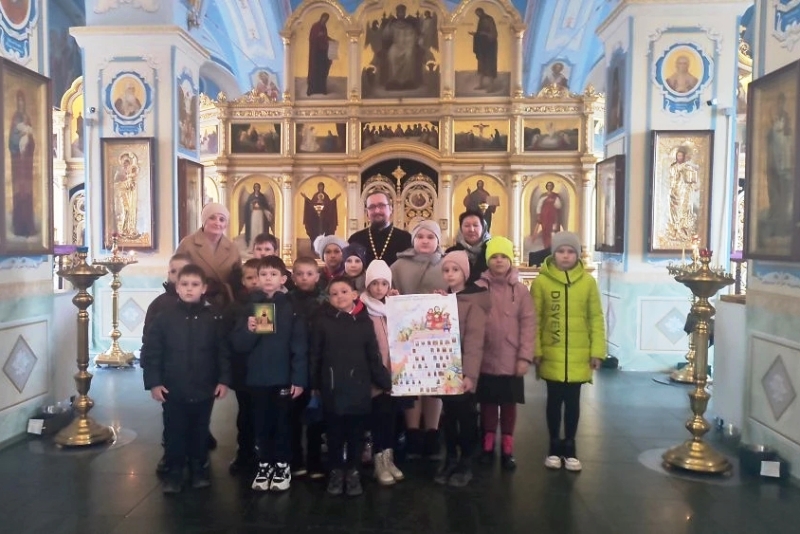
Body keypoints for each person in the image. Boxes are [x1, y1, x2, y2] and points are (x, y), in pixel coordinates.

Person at [142, 264, 231, 493]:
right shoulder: (164, 318)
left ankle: (199, 469)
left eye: (194, 285)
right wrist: (154, 382)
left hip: (204, 386)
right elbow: (152, 352)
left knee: (200, 431)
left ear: (204, 288)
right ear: (177, 287)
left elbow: (222, 351)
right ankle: (174, 473)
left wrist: (223, 380)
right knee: (174, 432)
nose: (189, 289)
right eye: (184, 284)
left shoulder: (214, 317)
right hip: (173, 387)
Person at [231, 256, 308, 492]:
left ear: (283, 279)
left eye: (273, 274)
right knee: (261, 423)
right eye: (263, 274)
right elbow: (238, 345)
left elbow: (299, 345)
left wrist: (298, 378)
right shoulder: (249, 306)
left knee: (282, 423)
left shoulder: (291, 307)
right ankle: (264, 464)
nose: (267, 279)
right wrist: (249, 330)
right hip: (257, 378)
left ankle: (282, 465)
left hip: (283, 377)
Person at [309, 276, 392, 496]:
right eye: (334, 293)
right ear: (328, 298)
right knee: (334, 434)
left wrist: (385, 381)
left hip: (358, 389)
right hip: (332, 388)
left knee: (356, 434)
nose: (339, 297)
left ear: (355, 294)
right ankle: (336, 471)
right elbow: (315, 355)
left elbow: (373, 356)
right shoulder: (322, 322)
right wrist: (314, 384)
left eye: (344, 292)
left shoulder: (364, 323)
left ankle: (354, 471)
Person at [531, 232, 605, 472]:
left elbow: (596, 318)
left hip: (578, 355)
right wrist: (536, 349)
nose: (565, 256)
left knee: (573, 402)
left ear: (577, 255)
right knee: (553, 401)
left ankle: (570, 445)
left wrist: (597, 351)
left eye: (570, 251)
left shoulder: (587, 282)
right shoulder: (542, 282)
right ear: (554, 254)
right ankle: (554, 445)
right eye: (561, 251)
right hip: (551, 354)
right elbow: (534, 320)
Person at [476, 236, 535, 471]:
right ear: (487, 260)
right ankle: (488, 444)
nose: (499, 261)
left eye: (503, 256)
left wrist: (524, 357)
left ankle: (508, 447)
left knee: (509, 405)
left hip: (512, 359)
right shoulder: (479, 288)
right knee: (488, 404)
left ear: (510, 260)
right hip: (485, 358)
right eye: (494, 256)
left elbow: (528, 324)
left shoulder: (520, 291)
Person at [390, 220, 448, 459]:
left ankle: (432, 433)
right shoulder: (398, 266)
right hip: (407, 335)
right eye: (420, 236)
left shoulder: (447, 264)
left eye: (430, 237)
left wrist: (446, 297)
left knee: (435, 384)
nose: (425, 241)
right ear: (413, 240)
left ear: (438, 241)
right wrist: (392, 295)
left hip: (438, 336)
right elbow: (387, 290)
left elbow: (456, 290)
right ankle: (413, 433)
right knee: (411, 384)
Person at [434, 251, 488, 487]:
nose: (450, 274)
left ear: (465, 273)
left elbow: (475, 342)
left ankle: (466, 461)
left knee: (465, 418)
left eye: (455, 270)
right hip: (446, 369)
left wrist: (470, 375)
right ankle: (450, 458)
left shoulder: (474, 301)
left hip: (464, 371)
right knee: (448, 416)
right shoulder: (444, 298)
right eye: (446, 270)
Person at [141, 253, 192, 475]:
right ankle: (171, 455)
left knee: (197, 416)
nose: (177, 276)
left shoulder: (203, 306)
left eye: (183, 272)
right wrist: (153, 376)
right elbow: (149, 341)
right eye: (173, 272)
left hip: (197, 374)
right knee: (172, 418)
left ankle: (196, 455)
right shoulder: (159, 305)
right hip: (170, 373)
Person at [360, 260, 404, 486]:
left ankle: (389, 458)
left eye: (384, 283)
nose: (379, 288)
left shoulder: (392, 307)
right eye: (375, 283)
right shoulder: (362, 309)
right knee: (377, 419)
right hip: (374, 376)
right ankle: (378, 462)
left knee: (390, 418)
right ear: (367, 284)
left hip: (394, 373)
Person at [287, 257, 327, 479]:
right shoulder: (287, 301)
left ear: (317, 276)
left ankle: (315, 460)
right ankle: (295, 459)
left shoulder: (325, 301)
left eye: (309, 273)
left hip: (319, 363)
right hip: (294, 365)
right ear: (293, 277)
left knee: (316, 416)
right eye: (300, 274)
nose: (304, 278)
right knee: (293, 416)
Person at [225, 258, 262, 476]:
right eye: (250, 277)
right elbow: (229, 338)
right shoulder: (235, 307)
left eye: (259, 276)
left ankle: (263, 451)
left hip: (266, 369)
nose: (255, 281)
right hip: (243, 370)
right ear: (243, 281)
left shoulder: (272, 303)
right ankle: (245, 451)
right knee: (245, 413)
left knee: (264, 414)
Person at [176, 203, 242, 308]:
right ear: (204, 220)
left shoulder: (233, 248)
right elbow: (176, 274)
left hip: (224, 304)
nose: (217, 223)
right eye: (212, 218)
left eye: (222, 219)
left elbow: (238, 278)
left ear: (226, 224)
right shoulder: (187, 244)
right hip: (194, 303)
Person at [348, 191, 412, 267]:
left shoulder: (406, 239)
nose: (377, 211)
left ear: (390, 209)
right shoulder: (356, 240)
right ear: (367, 212)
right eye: (372, 207)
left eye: (381, 205)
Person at [8, 90, 36, 237]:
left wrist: (28, 140)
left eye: (22, 101)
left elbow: (32, 143)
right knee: (19, 191)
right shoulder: (15, 119)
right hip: (17, 163)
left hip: (27, 164)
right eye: (19, 101)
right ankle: (19, 226)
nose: (21, 104)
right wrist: (19, 140)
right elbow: (11, 142)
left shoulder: (27, 118)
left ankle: (28, 225)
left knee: (28, 192)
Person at [767, 92, 793, 224]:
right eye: (778, 102)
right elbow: (770, 136)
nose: (779, 104)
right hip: (775, 155)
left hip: (784, 155)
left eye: (781, 102)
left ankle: (783, 213)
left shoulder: (786, 117)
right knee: (774, 185)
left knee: (784, 186)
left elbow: (788, 134)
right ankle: (775, 211)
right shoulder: (774, 116)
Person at [445, 210, 491, 285]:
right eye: (467, 226)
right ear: (460, 229)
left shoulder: (491, 251)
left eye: (475, 225)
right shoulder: (451, 252)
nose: (471, 229)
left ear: (483, 228)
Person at [665, 147, 699, 243]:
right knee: (675, 209)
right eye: (678, 155)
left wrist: (692, 182)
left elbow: (692, 178)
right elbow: (672, 178)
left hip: (684, 191)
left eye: (681, 156)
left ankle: (682, 229)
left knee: (683, 209)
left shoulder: (687, 167)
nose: (679, 157)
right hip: (675, 191)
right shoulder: (673, 167)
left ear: (684, 157)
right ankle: (676, 228)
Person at [470, 8, 498, 91]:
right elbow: (481, 32)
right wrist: (475, 34)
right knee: (481, 65)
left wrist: (483, 33)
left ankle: (491, 87)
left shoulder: (489, 19)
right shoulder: (481, 19)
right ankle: (481, 84)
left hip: (490, 47)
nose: (477, 15)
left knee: (490, 66)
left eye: (477, 13)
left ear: (481, 12)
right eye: (476, 14)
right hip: (482, 47)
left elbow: (493, 34)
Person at [307, 13, 334, 96]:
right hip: (316, 53)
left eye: (326, 19)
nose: (325, 20)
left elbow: (325, 37)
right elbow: (311, 38)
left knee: (323, 70)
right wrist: (318, 36)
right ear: (321, 18)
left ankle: (322, 89)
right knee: (315, 70)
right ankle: (312, 90)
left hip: (323, 52)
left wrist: (331, 39)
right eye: (324, 18)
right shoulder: (315, 26)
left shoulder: (324, 27)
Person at [241, 183, 275, 249]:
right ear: (254, 188)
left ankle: (261, 243)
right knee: (253, 229)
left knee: (260, 228)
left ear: (259, 188)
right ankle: (253, 245)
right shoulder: (251, 196)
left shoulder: (262, 196)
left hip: (260, 214)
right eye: (255, 187)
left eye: (258, 187)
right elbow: (247, 206)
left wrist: (261, 206)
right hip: (253, 214)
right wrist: (251, 205)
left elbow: (266, 206)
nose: (257, 188)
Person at [531, 181, 562, 250]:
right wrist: (539, 215)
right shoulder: (543, 196)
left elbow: (558, 206)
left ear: (553, 187)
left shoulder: (555, 196)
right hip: (544, 217)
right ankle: (546, 246)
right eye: (548, 185)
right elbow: (539, 206)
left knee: (552, 231)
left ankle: (552, 246)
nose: (549, 187)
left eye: (551, 185)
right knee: (545, 231)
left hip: (553, 217)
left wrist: (553, 205)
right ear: (546, 187)